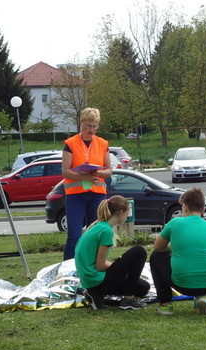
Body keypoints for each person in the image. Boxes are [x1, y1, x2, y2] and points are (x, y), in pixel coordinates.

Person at [150, 188, 206, 316]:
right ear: (203, 208)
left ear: (185, 206)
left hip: (182, 285)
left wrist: (176, 247)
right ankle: (203, 297)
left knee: (156, 257)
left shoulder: (175, 223)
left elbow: (158, 247)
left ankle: (165, 305)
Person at [74, 195, 150, 310]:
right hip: (97, 281)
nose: (127, 217)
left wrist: (123, 269)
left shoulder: (98, 226)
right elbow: (100, 266)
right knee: (139, 251)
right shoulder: (106, 231)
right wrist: (125, 270)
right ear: (121, 212)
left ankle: (95, 295)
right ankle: (128, 299)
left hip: (90, 282)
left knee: (143, 287)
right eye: (127, 213)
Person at [62, 108, 112, 260]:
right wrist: (83, 176)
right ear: (81, 123)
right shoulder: (70, 143)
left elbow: (109, 170)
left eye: (94, 126)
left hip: (97, 194)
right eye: (88, 125)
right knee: (75, 236)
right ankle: (68, 269)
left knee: (95, 235)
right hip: (75, 195)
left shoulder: (103, 144)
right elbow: (65, 171)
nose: (91, 130)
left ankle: (94, 266)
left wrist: (98, 174)